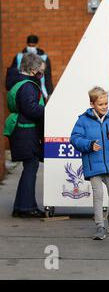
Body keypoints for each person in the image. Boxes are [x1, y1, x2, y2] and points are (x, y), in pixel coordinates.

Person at [70, 87, 109, 240]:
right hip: (93, 165)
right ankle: (100, 226)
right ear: (92, 104)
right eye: (101, 104)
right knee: (98, 195)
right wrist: (89, 145)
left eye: (106, 103)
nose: (104, 107)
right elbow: (75, 138)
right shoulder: (82, 120)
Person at [4, 53, 46, 218]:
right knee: (31, 166)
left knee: (29, 167)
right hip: (26, 131)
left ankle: (21, 206)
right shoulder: (28, 86)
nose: (41, 74)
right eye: (40, 71)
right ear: (32, 69)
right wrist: (49, 111)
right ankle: (27, 207)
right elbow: (31, 110)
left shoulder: (19, 82)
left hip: (22, 130)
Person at [11, 35, 53, 99]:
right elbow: (13, 75)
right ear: (27, 44)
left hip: (41, 91)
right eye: (29, 45)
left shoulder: (44, 57)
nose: (31, 47)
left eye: (33, 45)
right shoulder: (18, 57)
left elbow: (48, 77)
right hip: (23, 90)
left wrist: (50, 93)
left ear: (37, 45)